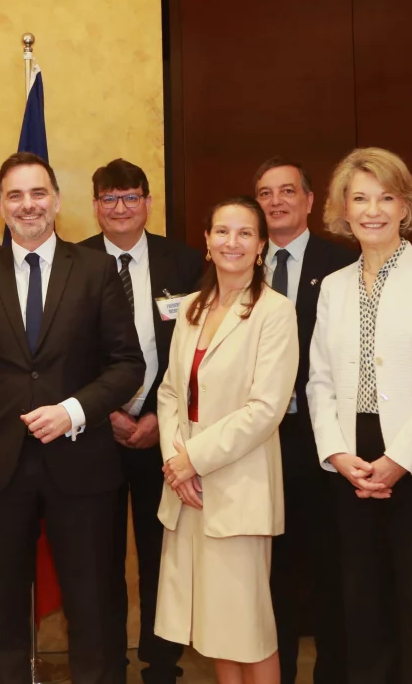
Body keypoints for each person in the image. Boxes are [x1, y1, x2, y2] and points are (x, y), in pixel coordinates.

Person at [0, 152, 145, 684]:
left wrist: (74, 410)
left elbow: (127, 366)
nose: (28, 205)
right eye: (15, 195)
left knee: (94, 604)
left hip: (83, 462)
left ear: (56, 200)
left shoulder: (96, 269)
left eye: (38, 193)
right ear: (0, 206)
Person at [307, 147, 412, 684]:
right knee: (362, 604)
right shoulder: (335, 286)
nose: (373, 210)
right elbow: (319, 379)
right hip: (352, 460)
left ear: (406, 206)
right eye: (360, 198)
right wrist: (338, 453)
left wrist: (399, 459)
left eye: (386, 198)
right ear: (343, 209)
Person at [155, 196, 297, 684]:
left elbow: (265, 409)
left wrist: (192, 459)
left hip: (238, 485)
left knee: (248, 629)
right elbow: (170, 390)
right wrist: (176, 461)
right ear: (207, 242)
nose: (230, 242)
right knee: (214, 628)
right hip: (188, 489)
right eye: (221, 232)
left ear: (260, 247)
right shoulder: (193, 309)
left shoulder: (274, 312)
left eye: (243, 234)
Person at [79, 158, 202, 684]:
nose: (121, 208)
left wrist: (155, 415)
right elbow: (64, 351)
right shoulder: (75, 261)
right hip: (94, 434)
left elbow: (196, 350)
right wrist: (104, 410)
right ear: (96, 206)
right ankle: (107, 666)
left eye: (131, 197)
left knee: (160, 556)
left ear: (148, 203)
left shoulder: (185, 261)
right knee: (98, 558)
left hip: (164, 435)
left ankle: (162, 665)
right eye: (110, 199)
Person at [253, 157, 355, 684]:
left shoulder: (344, 262)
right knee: (272, 569)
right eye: (266, 193)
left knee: (328, 563)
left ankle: (333, 672)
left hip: (324, 437)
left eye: (287, 191)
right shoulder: (241, 262)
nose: (276, 202)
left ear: (310, 201)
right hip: (259, 441)